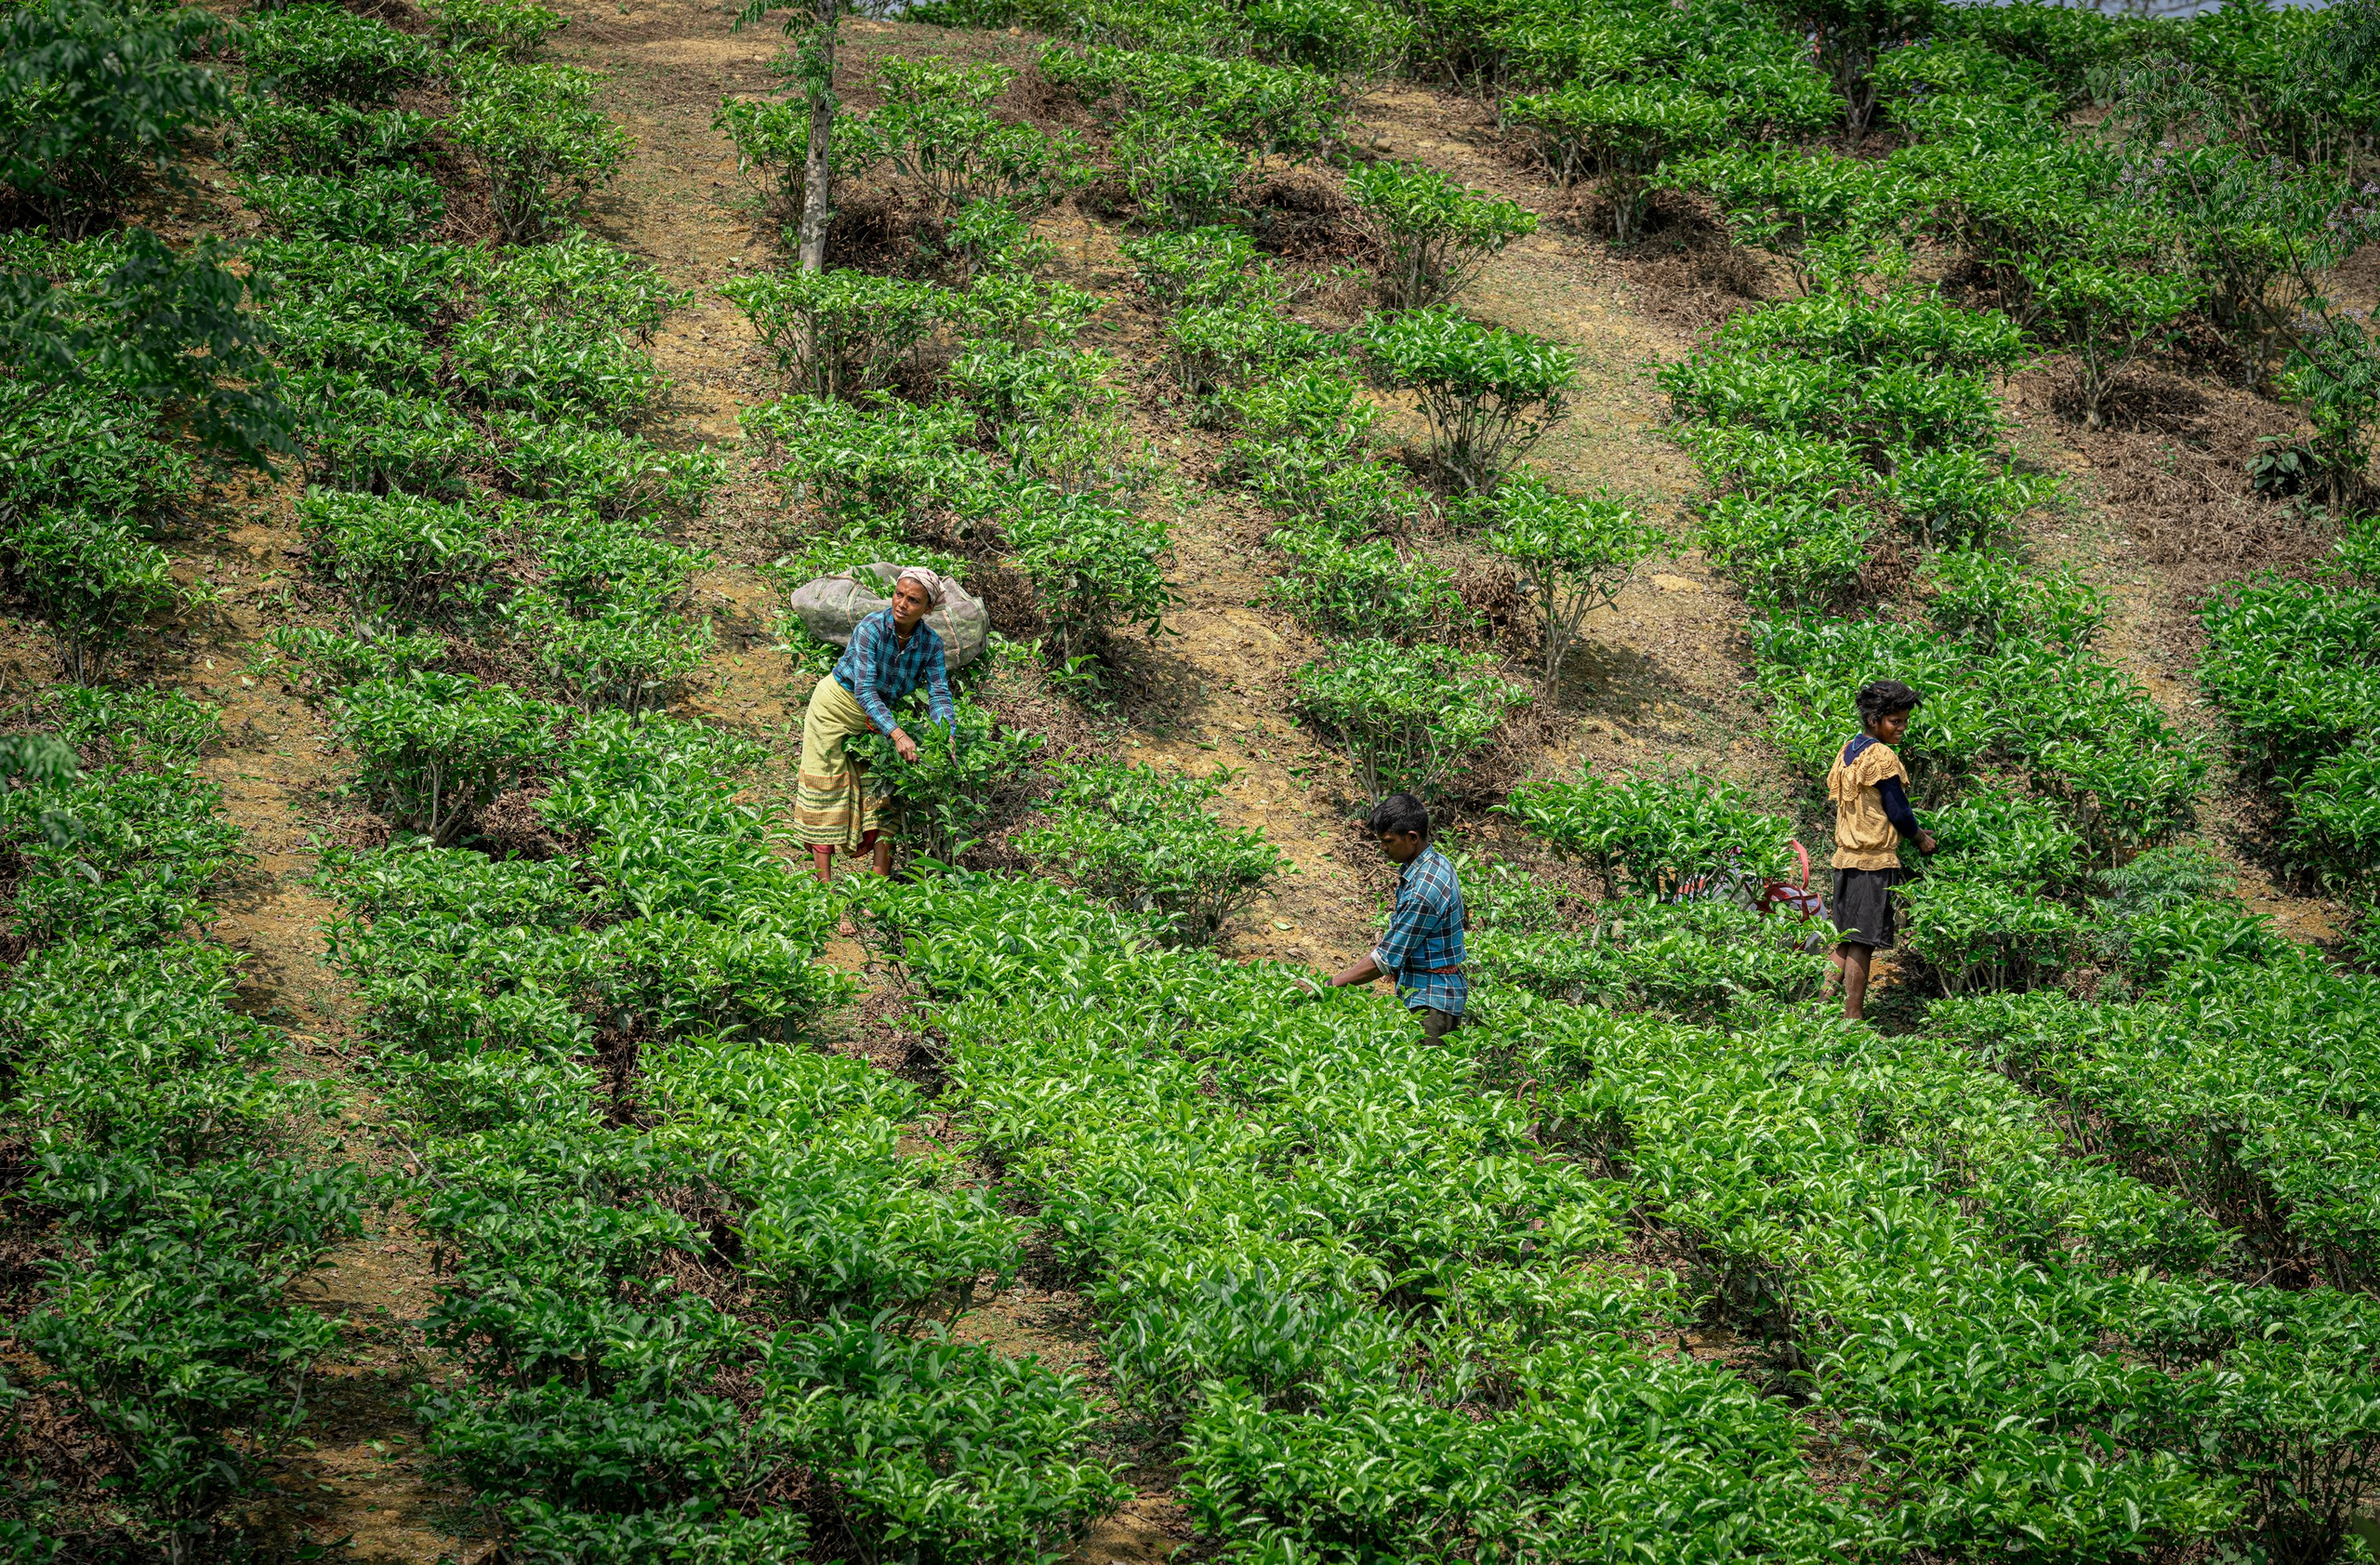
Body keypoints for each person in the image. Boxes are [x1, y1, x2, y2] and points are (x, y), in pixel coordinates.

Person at [794, 567, 956, 885]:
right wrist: (898, 733)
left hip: (876, 717)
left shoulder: (931, 644)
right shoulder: (871, 628)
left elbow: (939, 693)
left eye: (913, 600)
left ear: (928, 608)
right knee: (826, 788)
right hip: (834, 707)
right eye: (899, 595)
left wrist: (946, 735)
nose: (902, 604)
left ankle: (876, 888)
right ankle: (824, 892)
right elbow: (865, 689)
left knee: (883, 792)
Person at [1823, 678, 1937, 1021]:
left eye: (1904, 721)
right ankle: (1853, 1018)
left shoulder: (1849, 750)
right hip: (1871, 862)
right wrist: (1921, 839)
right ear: (1875, 720)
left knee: (1845, 939)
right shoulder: (1881, 756)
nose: (1902, 728)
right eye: (1895, 721)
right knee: (1862, 941)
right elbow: (1898, 811)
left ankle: (1817, 1008)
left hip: (1845, 858)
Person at [1327, 791, 1467, 1041]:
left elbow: (1386, 959)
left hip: (1430, 1003)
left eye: (1389, 841)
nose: (1382, 848)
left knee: (1423, 1065)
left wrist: (1328, 985)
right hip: (1435, 996)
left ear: (1412, 837)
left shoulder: (1424, 889)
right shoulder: (1436, 863)